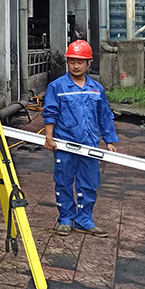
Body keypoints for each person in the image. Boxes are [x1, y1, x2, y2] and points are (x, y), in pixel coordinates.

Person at [43, 39, 118, 237]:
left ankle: (84, 220)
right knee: (64, 181)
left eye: (80, 62)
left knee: (89, 183)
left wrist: (109, 141)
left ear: (89, 63)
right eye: (72, 61)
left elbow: (104, 115)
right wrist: (49, 137)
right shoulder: (57, 87)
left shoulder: (96, 88)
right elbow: (50, 113)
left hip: (89, 145)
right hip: (64, 144)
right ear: (67, 62)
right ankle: (66, 219)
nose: (76, 66)